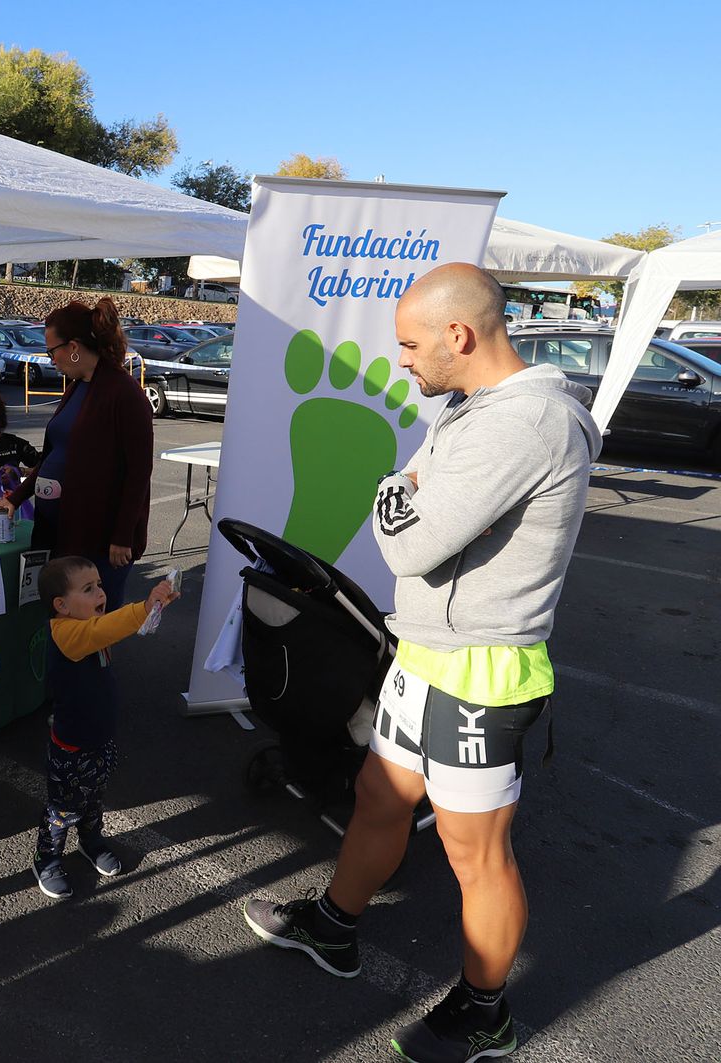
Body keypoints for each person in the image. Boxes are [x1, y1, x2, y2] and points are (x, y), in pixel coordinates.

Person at [240, 264, 601, 1063]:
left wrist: (392, 486)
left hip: (480, 670)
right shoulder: (475, 406)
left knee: (477, 853)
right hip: (428, 653)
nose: (402, 360)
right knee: (378, 794)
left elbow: (407, 538)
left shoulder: (524, 423)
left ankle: (484, 1012)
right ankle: (334, 928)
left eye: (410, 344)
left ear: (459, 336)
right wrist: (407, 487)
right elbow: (416, 508)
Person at [0, 297, 153, 606]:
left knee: (94, 626)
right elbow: (53, 456)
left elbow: (139, 472)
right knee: (66, 623)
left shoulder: (124, 393)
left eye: (52, 351)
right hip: (61, 531)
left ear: (74, 347)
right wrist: (15, 499)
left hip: (99, 540)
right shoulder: (78, 386)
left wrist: (122, 536)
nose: (51, 360)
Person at [31, 556, 178, 899]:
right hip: (71, 747)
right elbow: (104, 629)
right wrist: (144, 607)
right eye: (88, 589)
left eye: (99, 585)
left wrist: (153, 609)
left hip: (99, 740)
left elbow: (109, 626)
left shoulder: (85, 624)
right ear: (61, 605)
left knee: (94, 800)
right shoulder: (67, 632)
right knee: (62, 809)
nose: (100, 593)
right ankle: (47, 858)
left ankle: (91, 841)